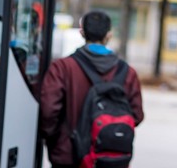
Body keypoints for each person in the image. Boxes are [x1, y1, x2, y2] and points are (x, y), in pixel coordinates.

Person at [39, 10, 144, 168]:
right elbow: (137, 115)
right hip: (110, 158)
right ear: (109, 35)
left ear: (82, 33)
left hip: (69, 156)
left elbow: (48, 111)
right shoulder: (128, 73)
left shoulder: (62, 68)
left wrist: (57, 139)